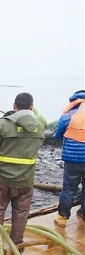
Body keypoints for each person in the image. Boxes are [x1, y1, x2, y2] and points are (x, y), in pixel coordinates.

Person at [0, 93, 45, 252]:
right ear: (32, 106)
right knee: (21, 214)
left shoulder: (3, 124)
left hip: (1, 178)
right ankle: (17, 245)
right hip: (26, 181)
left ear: (14, 106)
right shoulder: (40, 126)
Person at [54, 90, 85, 227]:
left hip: (72, 160)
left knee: (68, 189)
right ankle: (83, 213)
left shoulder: (68, 115)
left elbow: (58, 135)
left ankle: (62, 217)